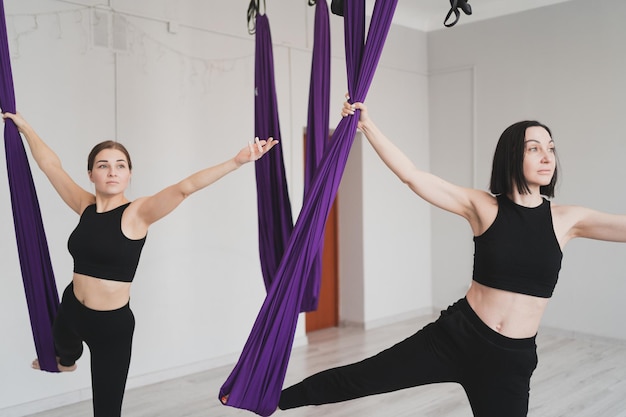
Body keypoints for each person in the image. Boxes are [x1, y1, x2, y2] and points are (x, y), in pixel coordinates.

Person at [278, 99, 626, 417]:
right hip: (456, 337)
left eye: (550, 149)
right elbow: (412, 176)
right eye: (534, 149)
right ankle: (271, 398)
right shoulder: (483, 206)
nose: (548, 157)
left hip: (511, 360)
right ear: (511, 156)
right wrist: (367, 126)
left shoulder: (567, 220)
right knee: (363, 377)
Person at [2, 111, 278, 417]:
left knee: (106, 411)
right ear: (91, 173)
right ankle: (67, 360)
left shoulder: (137, 213)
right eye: (103, 165)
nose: (112, 171)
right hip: (71, 309)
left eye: (120, 166)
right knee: (64, 350)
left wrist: (236, 162)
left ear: (129, 174)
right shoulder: (85, 206)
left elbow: (185, 187)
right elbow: (50, 165)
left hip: (111, 329)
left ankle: (67, 358)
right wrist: (25, 128)